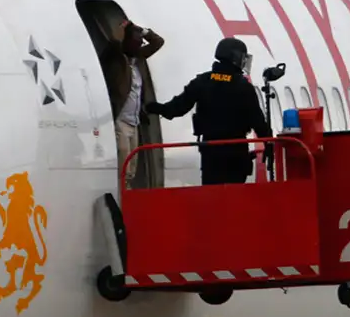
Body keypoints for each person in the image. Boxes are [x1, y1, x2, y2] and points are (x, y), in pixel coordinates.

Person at [145, 37, 273, 185]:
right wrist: (269, 143)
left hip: (210, 152)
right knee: (234, 195)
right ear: (236, 58)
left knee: (211, 194)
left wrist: (153, 107)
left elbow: (175, 109)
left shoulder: (202, 82)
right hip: (236, 152)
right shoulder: (243, 86)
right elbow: (258, 121)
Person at [102, 20, 164, 190]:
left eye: (140, 42)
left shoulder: (139, 60)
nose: (138, 45)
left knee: (132, 167)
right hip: (121, 120)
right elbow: (114, 43)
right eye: (135, 41)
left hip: (134, 120)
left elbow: (158, 42)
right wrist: (122, 27)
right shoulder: (118, 61)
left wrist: (144, 31)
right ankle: (123, 195)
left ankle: (128, 194)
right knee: (124, 165)